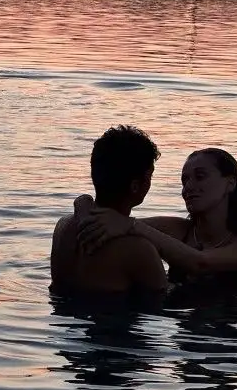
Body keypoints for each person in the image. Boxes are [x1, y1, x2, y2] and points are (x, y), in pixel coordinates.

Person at [75, 147, 237, 298]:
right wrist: (83, 202)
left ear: (230, 183)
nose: (188, 188)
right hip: (181, 337)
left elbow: (200, 263)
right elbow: (112, 223)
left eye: (200, 177)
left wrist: (131, 225)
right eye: (184, 181)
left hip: (227, 341)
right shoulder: (180, 230)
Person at [50, 125, 167, 303]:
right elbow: (163, 300)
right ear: (135, 186)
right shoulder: (138, 249)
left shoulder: (63, 226)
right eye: (150, 175)